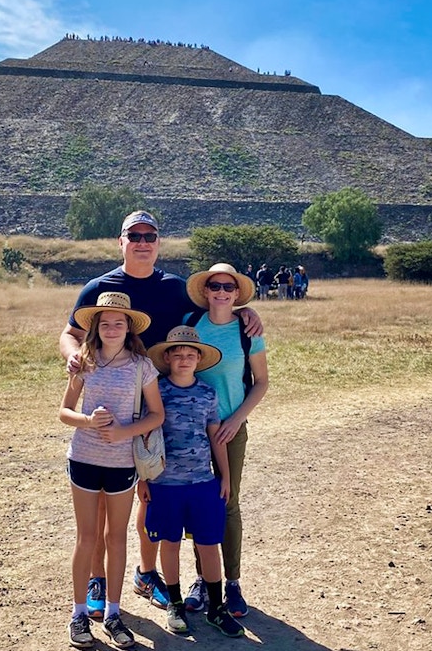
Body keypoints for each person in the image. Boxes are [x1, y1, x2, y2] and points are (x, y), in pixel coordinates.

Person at [59, 211, 264, 619]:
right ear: (120, 242)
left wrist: (245, 312)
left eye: (149, 235)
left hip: (163, 410)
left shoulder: (174, 289)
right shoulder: (99, 288)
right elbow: (71, 334)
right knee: (111, 503)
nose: (142, 242)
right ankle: (106, 578)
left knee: (155, 495)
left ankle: (157, 574)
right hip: (114, 409)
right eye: (133, 235)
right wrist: (75, 360)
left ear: (158, 242)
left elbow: (213, 307)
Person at [59, 291, 165, 649]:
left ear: (129, 327)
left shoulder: (141, 365)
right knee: (86, 538)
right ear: (96, 328)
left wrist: (123, 431)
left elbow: (156, 415)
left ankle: (114, 614)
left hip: (122, 463)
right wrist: (88, 422)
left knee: (115, 538)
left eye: (119, 322)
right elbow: (64, 412)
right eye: (105, 323)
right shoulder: (83, 361)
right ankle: (78, 615)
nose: (112, 328)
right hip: (84, 459)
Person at [142, 326, 245, 637]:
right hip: (164, 483)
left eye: (190, 355)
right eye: (178, 354)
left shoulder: (207, 394)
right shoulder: (155, 392)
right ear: (168, 358)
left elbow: (216, 437)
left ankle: (216, 607)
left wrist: (224, 476)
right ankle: (174, 603)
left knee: (209, 545)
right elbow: (143, 438)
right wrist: (142, 480)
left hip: (202, 482)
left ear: (199, 359)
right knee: (169, 543)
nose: (184, 359)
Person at [179, 263, 269, 618]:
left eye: (228, 287)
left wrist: (236, 419)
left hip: (230, 428)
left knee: (228, 504)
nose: (221, 292)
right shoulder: (190, 324)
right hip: (191, 430)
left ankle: (232, 583)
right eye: (215, 285)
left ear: (237, 293)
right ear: (205, 291)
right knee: (196, 505)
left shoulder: (248, 331)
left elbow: (261, 381)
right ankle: (202, 580)